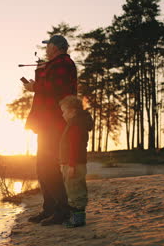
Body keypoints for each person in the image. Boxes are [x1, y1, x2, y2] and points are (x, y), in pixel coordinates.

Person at [24, 35, 77, 226]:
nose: (46, 49)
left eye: (48, 46)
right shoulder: (53, 65)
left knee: (48, 166)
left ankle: (62, 210)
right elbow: (47, 86)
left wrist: (34, 86)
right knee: (42, 167)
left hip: (54, 122)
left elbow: (56, 87)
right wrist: (38, 77)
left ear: (56, 47)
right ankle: (50, 209)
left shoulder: (64, 63)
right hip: (46, 121)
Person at [58, 95, 93, 227]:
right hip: (72, 163)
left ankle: (78, 220)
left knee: (76, 191)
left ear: (73, 111)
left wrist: (71, 165)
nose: (62, 115)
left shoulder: (76, 125)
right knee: (73, 190)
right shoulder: (75, 124)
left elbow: (75, 146)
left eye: (64, 111)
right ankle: (76, 218)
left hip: (74, 164)